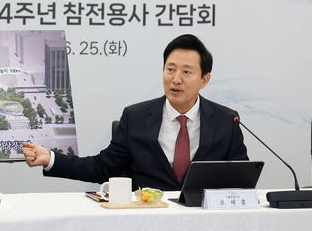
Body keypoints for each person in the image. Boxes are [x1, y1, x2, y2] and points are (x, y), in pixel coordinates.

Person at [22, 34, 248, 191]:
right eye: (170, 69)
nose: (175, 79)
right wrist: (50, 158)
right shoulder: (136, 118)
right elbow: (102, 167)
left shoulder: (226, 121)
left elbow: (241, 180)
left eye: (187, 72)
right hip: (147, 220)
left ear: (204, 80)